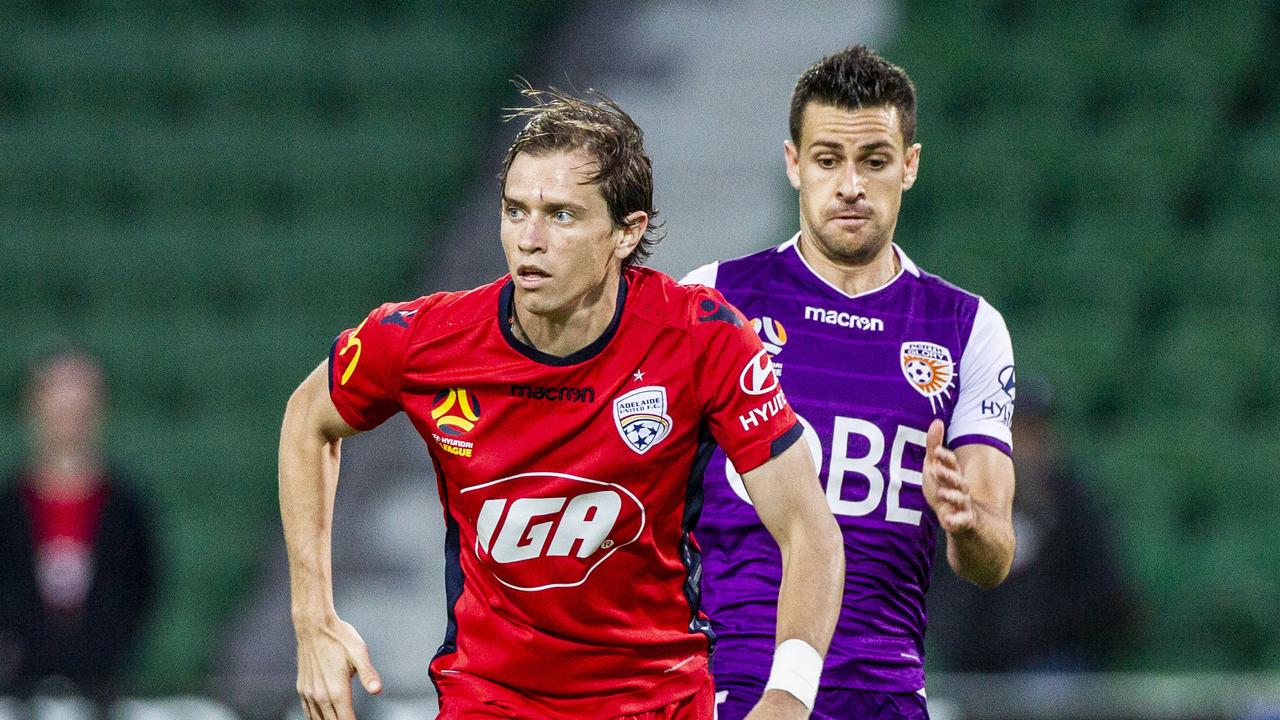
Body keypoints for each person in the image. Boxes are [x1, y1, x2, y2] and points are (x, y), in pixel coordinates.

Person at [279, 86, 843, 720]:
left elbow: (809, 530)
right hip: (490, 703)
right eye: (515, 210)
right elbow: (308, 418)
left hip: (655, 702)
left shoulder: (701, 338)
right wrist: (313, 618)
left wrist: (790, 694)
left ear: (626, 232)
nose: (530, 239)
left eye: (562, 215)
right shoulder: (424, 340)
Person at [680, 46, 1017, 719]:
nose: (851, 186)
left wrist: (965, 521)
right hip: (735, 686)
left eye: (874, 161)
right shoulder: (714, 300)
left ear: (910, 166)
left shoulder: (967, 326)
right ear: (793, 163)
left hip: (883, 692)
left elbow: (993, 558)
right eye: (828, 160)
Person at [927, 375, 1136, 672]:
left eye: (1037, 432)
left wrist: (1038, 625)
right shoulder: (960, 496)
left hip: (1052, 662)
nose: (1028, 446)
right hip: (973, 669)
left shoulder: (1071, 500)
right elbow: (945, 599)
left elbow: (1106, 595)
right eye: (1017, 432)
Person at [0, 344, 156, 701]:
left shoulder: (127, 510)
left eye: (78, 407)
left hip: (105, 690)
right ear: (34, 409)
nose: (68, 419)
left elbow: (141, 592)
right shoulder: (8, 510)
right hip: (18, 693)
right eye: (58, 406)